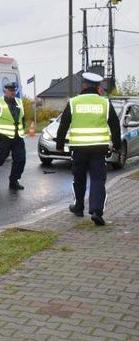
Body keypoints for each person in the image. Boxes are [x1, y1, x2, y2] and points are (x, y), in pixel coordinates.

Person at [56, 72, 121, 226]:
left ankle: (79, 207)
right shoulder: (105, 103)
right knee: (98, 179)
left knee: (79, 178)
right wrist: (117, 145)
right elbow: (115, 125)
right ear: (98, 87)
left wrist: (59, 145)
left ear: (84, 85)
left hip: (78, 148)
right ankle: (97, 211)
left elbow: (63, 124)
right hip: (99, 149)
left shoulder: (74, 102)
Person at [0, 82, 27, 190]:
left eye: (14, 90)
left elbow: (22, 118)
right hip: (4, 136)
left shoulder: (19, 102)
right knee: (0, 158)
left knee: (20, 159)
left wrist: (23, 128)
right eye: (10, 90)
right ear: (5, 91)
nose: (13, 92)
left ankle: (14, 181)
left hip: (18, 136)